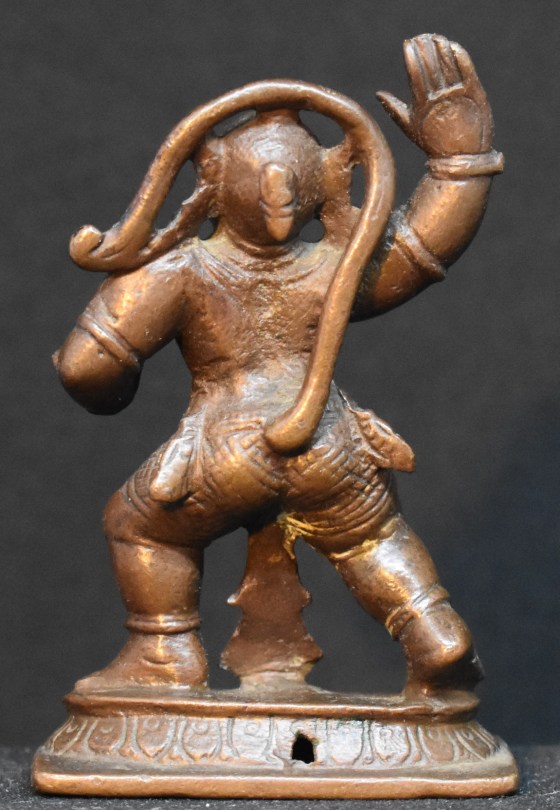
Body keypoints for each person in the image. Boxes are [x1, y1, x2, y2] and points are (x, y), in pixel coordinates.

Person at [55, 34, 502, 693]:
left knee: (139, 529)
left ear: (212, 180)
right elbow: (422, 247)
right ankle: (431, 630)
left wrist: (108, 386)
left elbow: (86, 368)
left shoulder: (178, 271)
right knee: (374, 538)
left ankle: (163, 653)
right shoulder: (339, 266)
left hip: (225, 450)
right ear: (326, 180)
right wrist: (461, 162)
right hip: (332, 443)